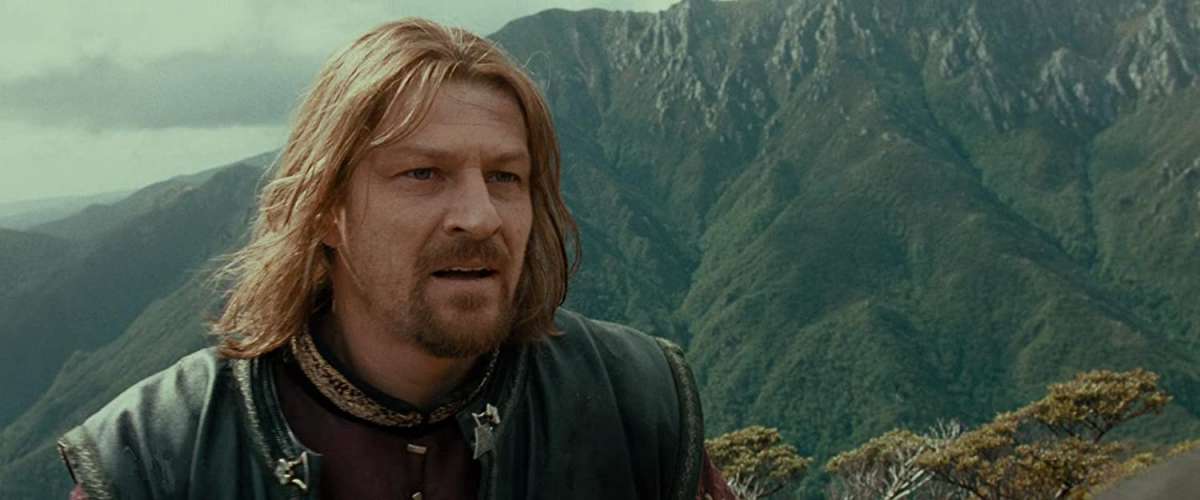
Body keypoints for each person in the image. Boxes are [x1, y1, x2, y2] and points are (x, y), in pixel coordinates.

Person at [57, 18, 734, 500]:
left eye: (505, 176)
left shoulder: (635, 403)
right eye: (423, 174)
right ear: (324, 208)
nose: (480, 216)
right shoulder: (157, 456)